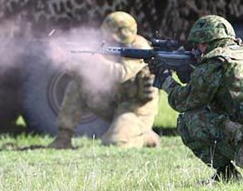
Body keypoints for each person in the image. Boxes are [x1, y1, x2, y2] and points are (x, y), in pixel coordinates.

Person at [155, 15, 243, 181]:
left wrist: (165, 79)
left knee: (189, 120)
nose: (196, 50)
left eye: (197, 45)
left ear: (204, 42)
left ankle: (227, 175)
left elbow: (183, 102)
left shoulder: (216, 60)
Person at [49, 11, 161, 149]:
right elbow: (86, 74)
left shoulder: (140, 48)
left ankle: (145, 136)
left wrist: (95, 59)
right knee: (78, 85)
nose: (107, 39)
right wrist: (70, 62)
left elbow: (121, 73)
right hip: (114, 102)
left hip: (135, 109)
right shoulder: (108, 45)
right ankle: (63, 138)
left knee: (115, 143)